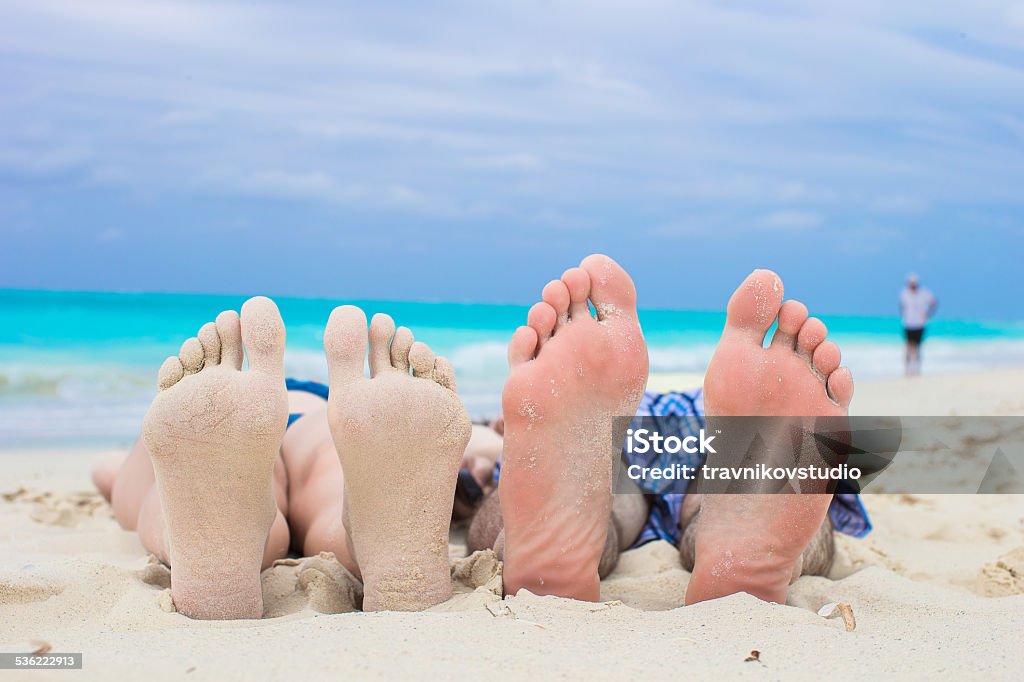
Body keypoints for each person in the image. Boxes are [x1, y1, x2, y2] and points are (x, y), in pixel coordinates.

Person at [92, 255, 864, 618]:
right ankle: (740, 536)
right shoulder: (706, 410)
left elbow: (105, 477)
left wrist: (108, 478)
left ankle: (220, 547)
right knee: (672, 480)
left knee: (297, 471)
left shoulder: (300, 402)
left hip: (320, 427)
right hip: (684, 437)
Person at [899, 273, 937, 376]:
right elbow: (902, 306)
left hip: (920, 324)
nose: (912, 285)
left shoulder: (924, 293)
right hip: (908, 324)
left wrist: (928, 314)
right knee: (908, 347)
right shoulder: (904, 293)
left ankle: (916, 369)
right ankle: (907, 370)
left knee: (917, 348)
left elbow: (934, 302)